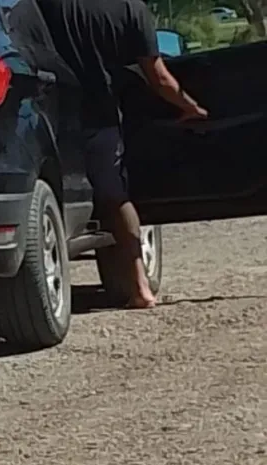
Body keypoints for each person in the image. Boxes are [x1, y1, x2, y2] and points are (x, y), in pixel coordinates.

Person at [35, 0, 208, 308]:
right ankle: (140, 286)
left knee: (48, 194)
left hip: (51, 113)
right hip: (99, 117)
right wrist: (190, 107)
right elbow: (159, 77)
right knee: (115, 197)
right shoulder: (131, 9)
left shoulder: (53, 4)